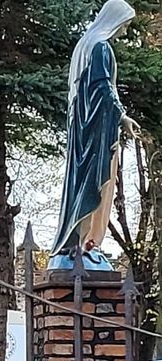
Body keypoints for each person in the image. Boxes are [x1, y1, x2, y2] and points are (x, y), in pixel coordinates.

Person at [49, 0, 139, 270]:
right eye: (124, 24)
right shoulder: (100, 47)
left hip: (83, 126)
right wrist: (121, 117)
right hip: (96, 130)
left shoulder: (85, 46)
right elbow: (102, 89)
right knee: (94, 183)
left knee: (81, 183)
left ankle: (78, 242)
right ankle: (85, 244)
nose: (123, 30)